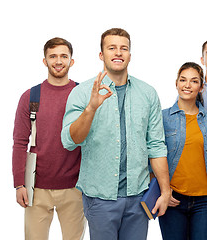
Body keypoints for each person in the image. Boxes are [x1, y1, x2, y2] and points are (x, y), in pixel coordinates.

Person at [61, 28, 171, 240]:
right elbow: (69, 141)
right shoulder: (83, 92)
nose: (118, 53)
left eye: (124, 48)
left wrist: (165, 192)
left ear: (130, 54)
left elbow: (156, 145)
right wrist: (91, 109)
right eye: (112, 48)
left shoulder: (147, 93)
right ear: (101, 55)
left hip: (138, 196)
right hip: (99, 198)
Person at [12, 37, 86, 239]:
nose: (58, 61)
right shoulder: (30, 96)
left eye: (64, 56)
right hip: (36, 187)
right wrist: (19, 183)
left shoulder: (83, 94)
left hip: (75, 187)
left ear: (72, 61)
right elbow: (20, 142)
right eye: (53, 56)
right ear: (45, 61)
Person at [159, 62, 207, 240]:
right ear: (176, 83)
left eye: (194, 81)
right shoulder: (162, 117)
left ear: (201, 87)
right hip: (173, 199)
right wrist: (163, 190)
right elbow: (153, 157)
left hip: (205, 202)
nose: (187, 85)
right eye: (183, 80)